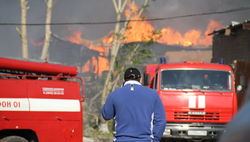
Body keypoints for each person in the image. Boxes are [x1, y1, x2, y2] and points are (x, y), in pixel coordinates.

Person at [101, 67, 166, 142]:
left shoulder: (114, 94)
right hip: (145, 139)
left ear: (124, 80)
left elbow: (106, 115)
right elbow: (161, 121)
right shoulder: (153, 94)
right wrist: (155, 139)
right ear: (140, 79)